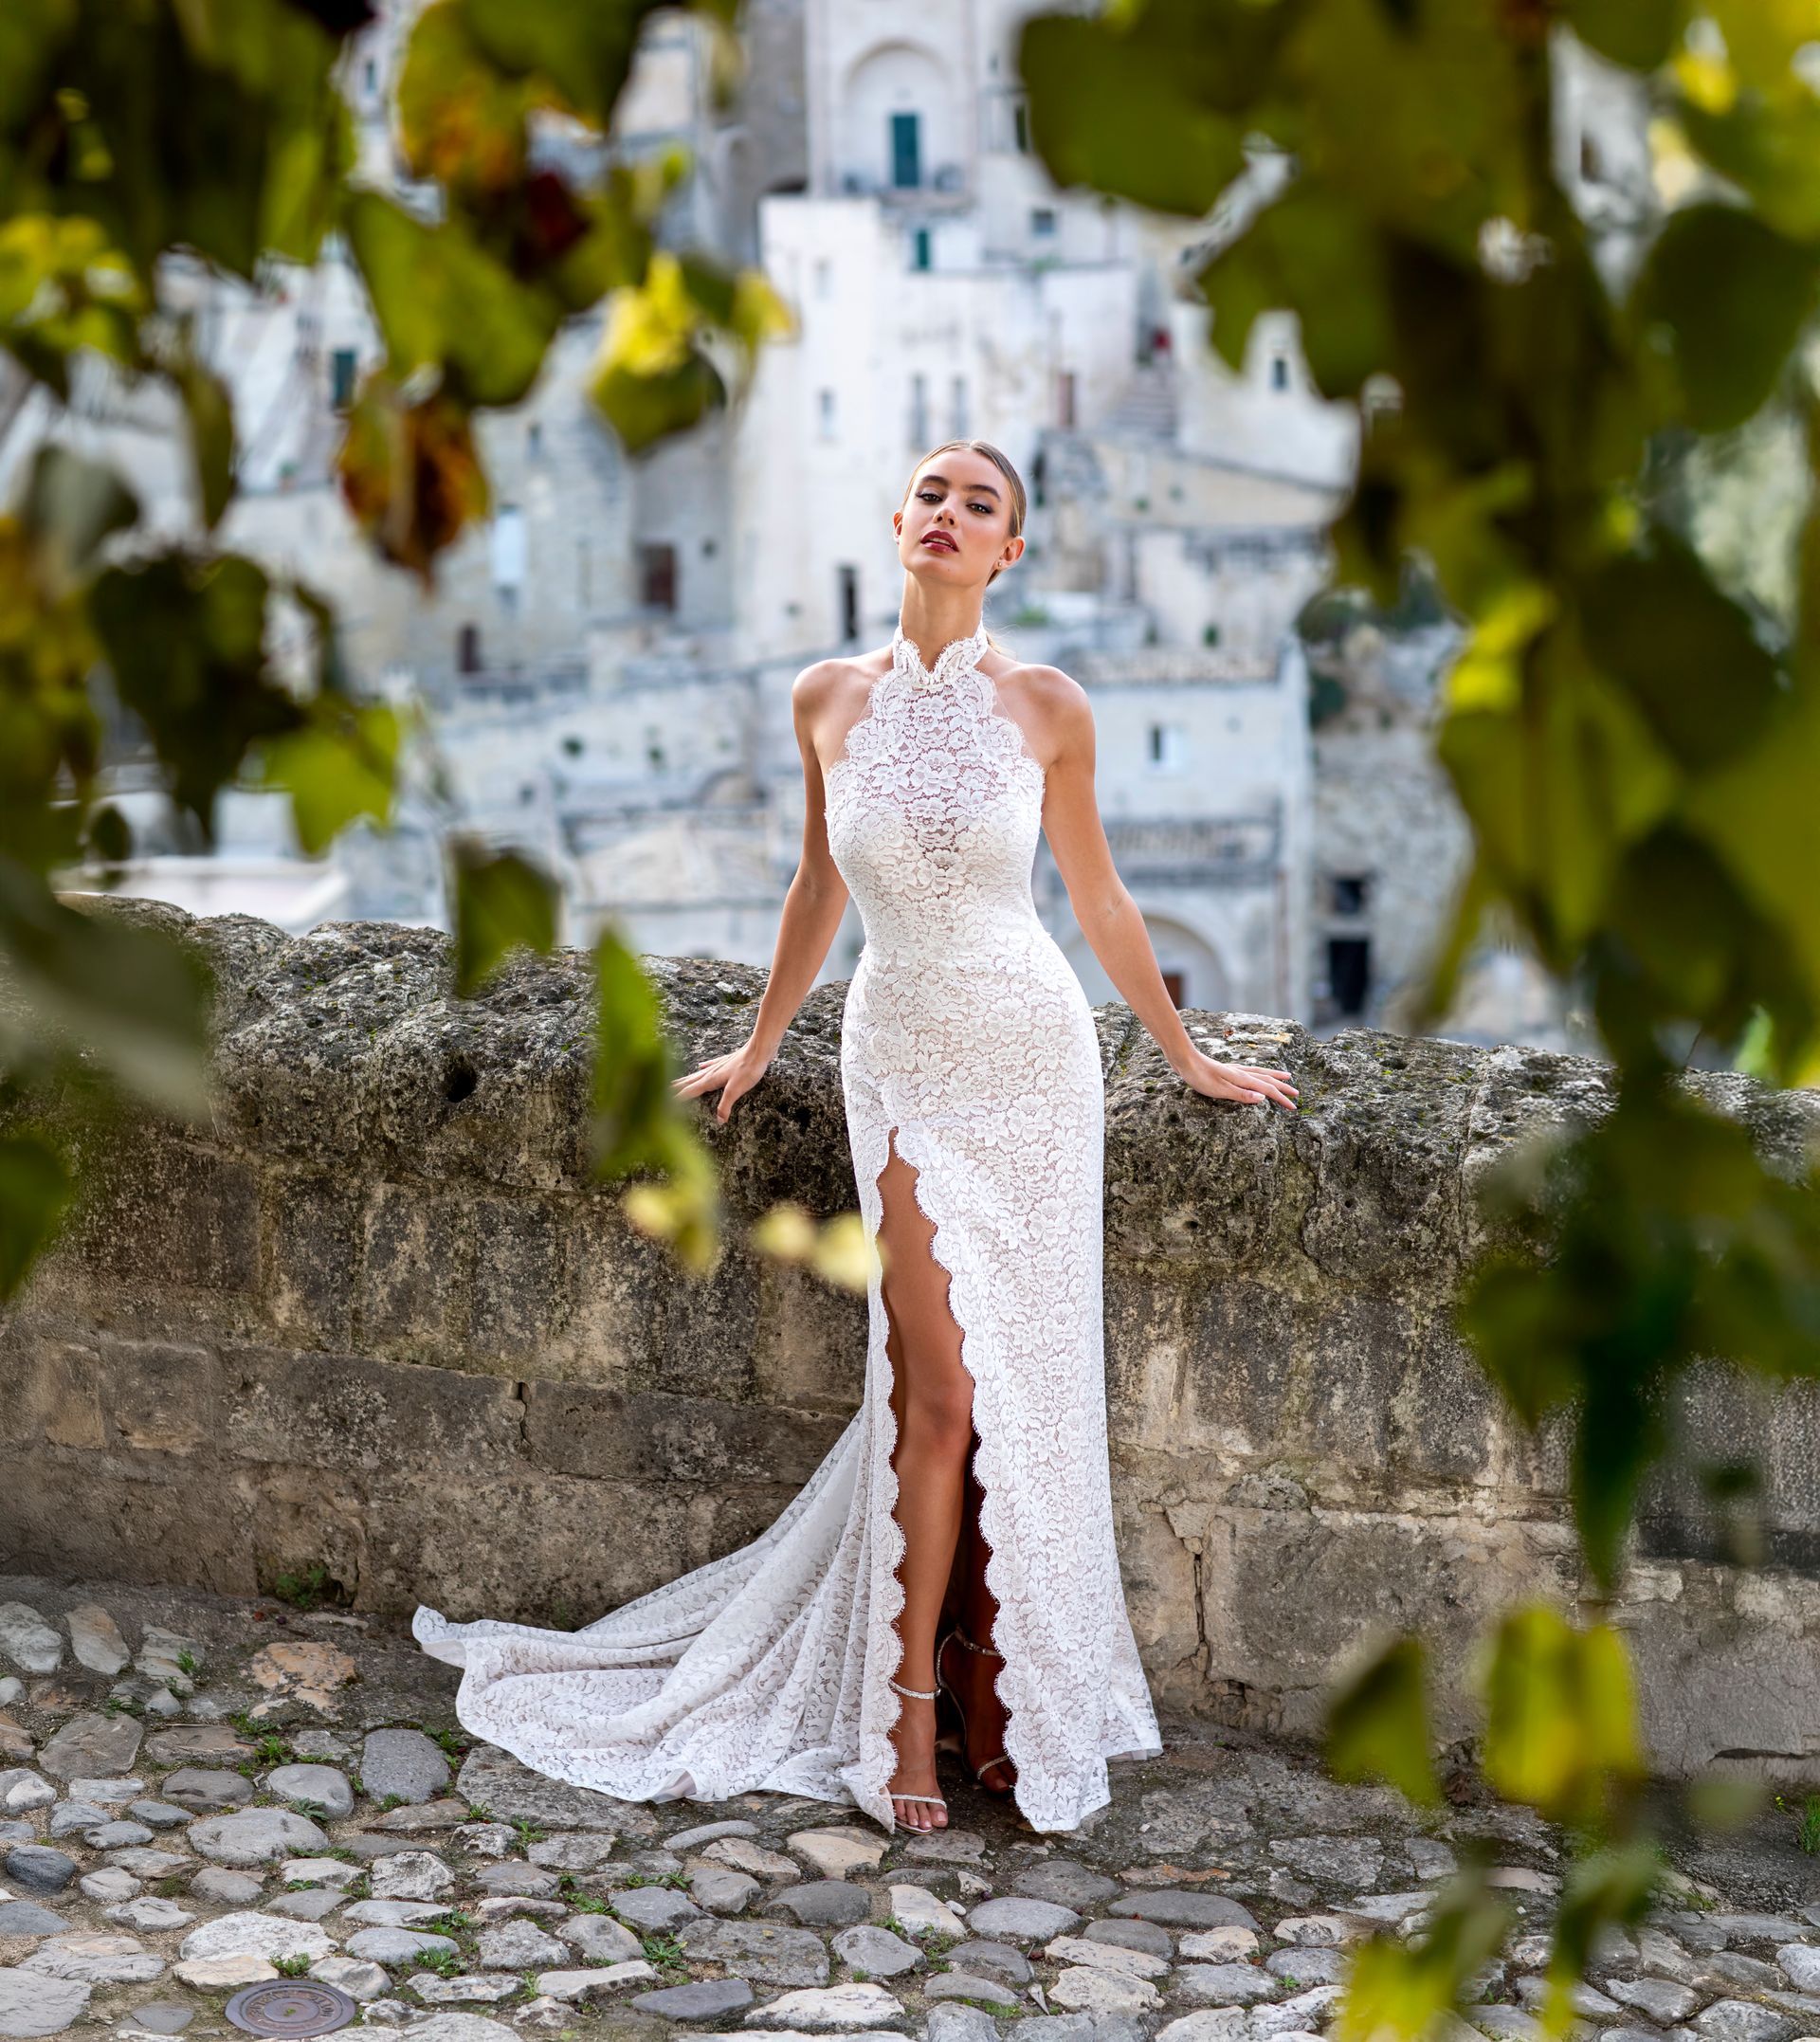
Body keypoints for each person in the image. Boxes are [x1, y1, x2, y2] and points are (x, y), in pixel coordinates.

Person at [412, 437, 1299, 1835]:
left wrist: (1186, 1054)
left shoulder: (1051, 706)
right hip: (901, 1057)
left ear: (1012, 550)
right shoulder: (826, 697)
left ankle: (999, 1699)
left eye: (983, 505)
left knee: (1020, 1396)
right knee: (933, 1390)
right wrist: (765, 1041)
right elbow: (818, 879)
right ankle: (903, 1717)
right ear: (897, 524)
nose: (951, 515)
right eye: (933, 494)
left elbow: (1105, 900)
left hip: (1032, 1054)